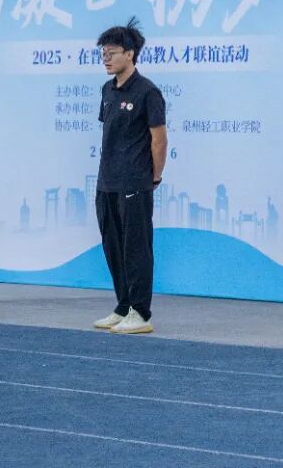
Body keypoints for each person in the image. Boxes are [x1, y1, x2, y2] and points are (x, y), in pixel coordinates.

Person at [92, 17, 167, 335]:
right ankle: (123, 306)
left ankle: (140, 312)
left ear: (130, 54)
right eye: (103, 53)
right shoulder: (107, 90)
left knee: (136, 248)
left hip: (135, 183)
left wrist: (154, 177)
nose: (106, 58)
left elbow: (159, 140)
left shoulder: (148, 92)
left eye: (111, 52)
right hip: (107, 182)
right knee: (113, 247)